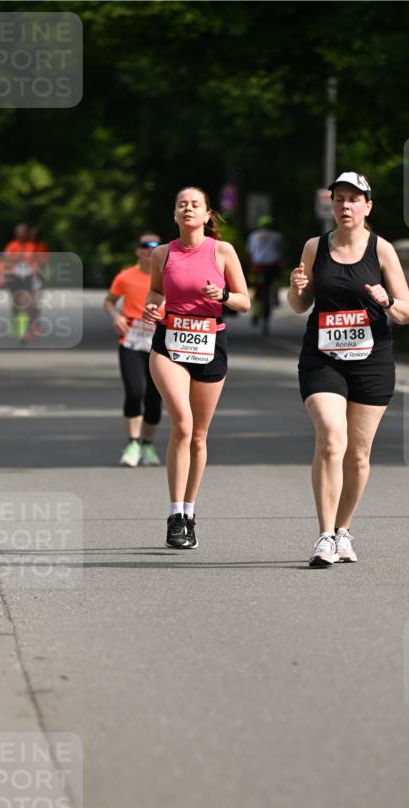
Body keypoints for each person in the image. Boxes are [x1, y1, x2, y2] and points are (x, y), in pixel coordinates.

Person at [288, 171, 409, 568]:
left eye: (354, 199)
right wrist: (296, 288)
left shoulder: (383, 250)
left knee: (358, 455)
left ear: (367, 206)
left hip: (372, 360)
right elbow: (300, 305)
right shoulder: (315, 246)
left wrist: (386, 300)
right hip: (322, 357)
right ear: (332, 205)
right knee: (331, 435)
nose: (346, 206)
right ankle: (325, 536)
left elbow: (407, 312)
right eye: (339, 198)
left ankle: (343, 530)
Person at [142, 186, 250, 549]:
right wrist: (152, 307)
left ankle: (189, 512)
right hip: (170, 344)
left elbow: (245, 301)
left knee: (199, 435)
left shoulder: (222, 251)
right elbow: (156, 292)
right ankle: (174, 514)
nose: (188, 209)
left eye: (195, 205)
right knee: (183, 424)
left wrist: (223, 296)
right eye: (181, 205)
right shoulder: (162, 253)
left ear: (206, 215)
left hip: (210, 343)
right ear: (175, 214)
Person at [104, 233, 164, 467]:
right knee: (134, 392)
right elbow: (109, 301)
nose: (150, 250)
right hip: (131, 342)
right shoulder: (126, 276)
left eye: (155, 247)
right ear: (138, 251)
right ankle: (132, 444)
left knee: (154, 397)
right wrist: (115, 316)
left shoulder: (169, 276)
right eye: (145, 246)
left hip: (161, 343)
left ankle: (147, 445)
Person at [246, 215, 284, 334]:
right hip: (272, 266)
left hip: (258, 267)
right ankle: (275, 298)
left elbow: (250, 252)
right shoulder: (277, 236)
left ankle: (255, 313)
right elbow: (280, 252)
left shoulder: (254, 235)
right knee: (274, 284)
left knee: (257, 290)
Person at [3, 224, 37, 340]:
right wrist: (17, 257)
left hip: (27, 276)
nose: (21, 234)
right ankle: (17, 323)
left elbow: (35, 260)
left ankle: (23, 331)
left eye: (23, 232)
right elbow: (7, 260)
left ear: (27, 233)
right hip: (14, 276)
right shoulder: (12, 245)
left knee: (25, 303)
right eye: (19, 232)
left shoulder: (31, 245)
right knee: (15, 303)